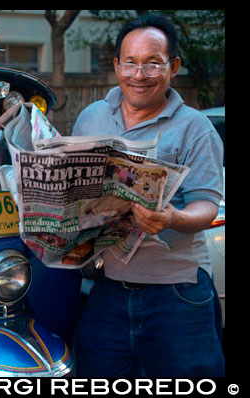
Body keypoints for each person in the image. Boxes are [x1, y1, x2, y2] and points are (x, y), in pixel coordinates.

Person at [72, 13, 224, 377]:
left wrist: (172, 218)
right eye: (130, 63)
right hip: (106, 288)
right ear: (116, 66)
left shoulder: (195, 128)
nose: (138, 75)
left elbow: (207, 205)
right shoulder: (92, 117)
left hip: (177, 293)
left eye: (152, 63)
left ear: (172, 66)